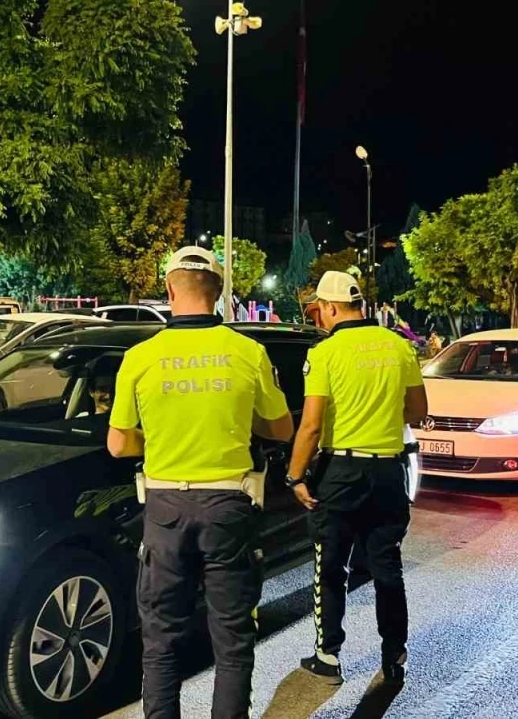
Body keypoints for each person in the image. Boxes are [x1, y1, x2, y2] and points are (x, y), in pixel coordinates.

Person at [107, 246, 294, 719]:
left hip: (164, 508)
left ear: (170, 291)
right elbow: (281, 429)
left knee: (161, 641)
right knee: (232, 640)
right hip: (229, 506)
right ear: (220, 293)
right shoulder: (248, 352)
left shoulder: (140, 357)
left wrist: (161, 438)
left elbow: (118, 444)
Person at [286, 271, 429, 686]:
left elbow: (311, 425)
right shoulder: (399, 346)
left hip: (341, 473)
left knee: (331, 566)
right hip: (387, 471)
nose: (319, 317)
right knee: (387, 565)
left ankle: (328, 656)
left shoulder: (326, 352)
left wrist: (295, 476)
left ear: (330, 307)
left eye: (319, 310)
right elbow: (417, 411)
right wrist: (380, 416)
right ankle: (394, 654)